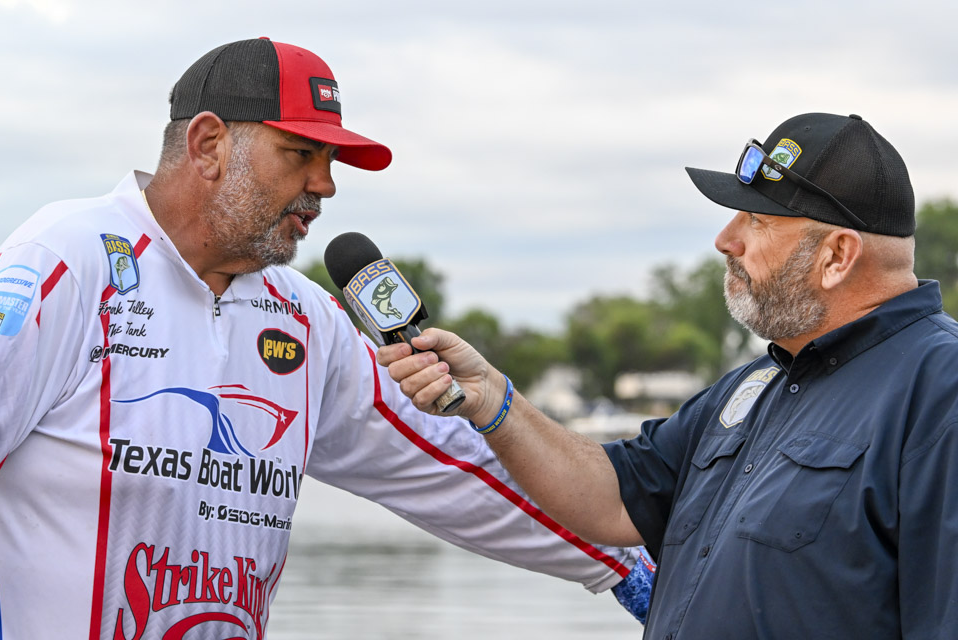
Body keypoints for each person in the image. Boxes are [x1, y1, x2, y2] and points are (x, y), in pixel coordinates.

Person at [0, 38, 653, 638]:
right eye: (300, 154)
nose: (326, 185)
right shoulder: (65, 263)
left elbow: (452, 468)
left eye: (331, 160)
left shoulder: (305, 317)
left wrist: (631, 565)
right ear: (208, 145)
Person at [378, 112, 958, 638]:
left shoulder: (941, 390)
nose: (725, 240)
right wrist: (492, 400)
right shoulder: (757, 385)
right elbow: (610, 500)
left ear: (837, 255)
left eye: (757, 220)